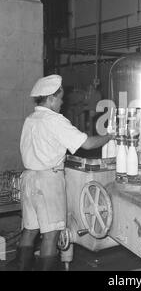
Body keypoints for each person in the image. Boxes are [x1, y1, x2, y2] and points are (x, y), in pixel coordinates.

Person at [7, 74, 112, 271]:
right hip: (47, 181)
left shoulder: (31, 119)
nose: (62, 102)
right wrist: (110, 136)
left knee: (30, 229)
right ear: (51, 98)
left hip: (28, 178)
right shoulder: (55, 120)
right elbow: (88, 143)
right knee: (51, 234)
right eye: (61, 97)